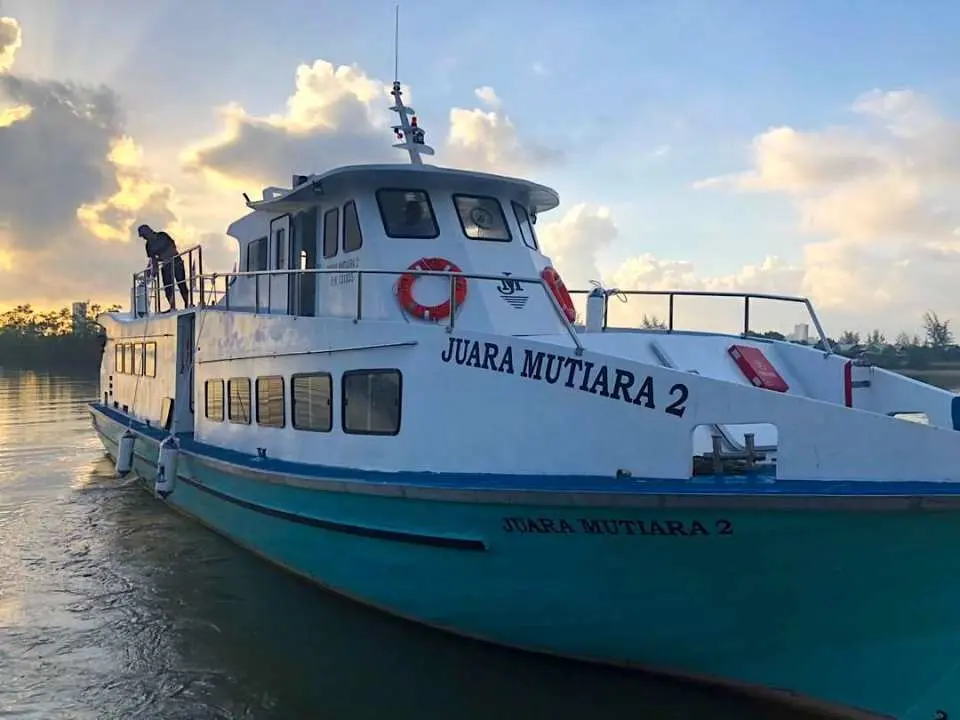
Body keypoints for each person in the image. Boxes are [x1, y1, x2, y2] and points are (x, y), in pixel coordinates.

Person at [138, 224, 190, 311]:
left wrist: (163, 257)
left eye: (144, 235)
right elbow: (153, 259)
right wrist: (153, 271)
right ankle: (172, 307)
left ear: (148, 231)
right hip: (166, 265)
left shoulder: (162, 236)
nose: (143, 238)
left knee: (182, 284)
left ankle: (187, 304)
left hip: (176, 261)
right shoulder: (148, 246)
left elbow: (173, 248)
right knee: (168, 288)